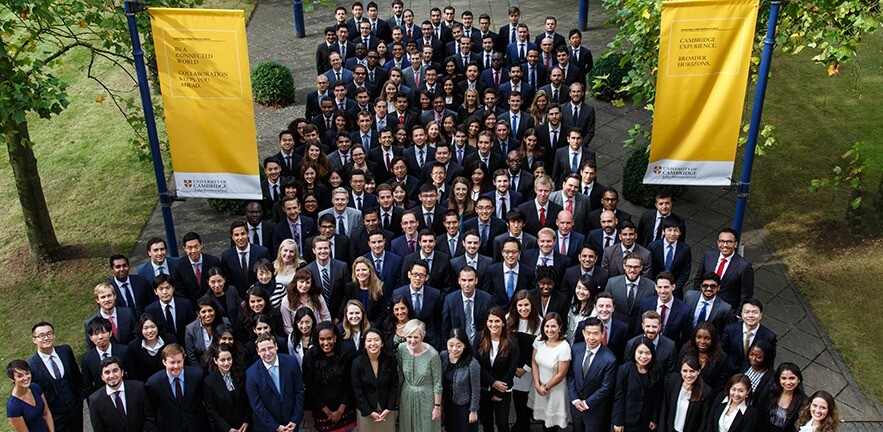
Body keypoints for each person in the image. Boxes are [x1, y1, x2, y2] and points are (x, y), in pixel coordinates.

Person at [28, 321, 82, 432]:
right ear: (34, 340)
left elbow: (76, 375)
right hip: (54, 416)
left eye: (49, 334)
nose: (46, 338)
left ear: (54, 335)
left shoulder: (65, 350)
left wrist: (80, 398)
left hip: (75, 409)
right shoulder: (31, 365)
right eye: (41, 336)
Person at [302, 322, 357, 432]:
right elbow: (310, 387)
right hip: (322, 411)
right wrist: (328, 412)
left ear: (335, 338)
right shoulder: (310, 356)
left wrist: (340, 411)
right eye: (322, 339)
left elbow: (350, 384)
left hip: (345, 408)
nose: (326, 343)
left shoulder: (346, 354)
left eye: (329, 338)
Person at [246, 334, 306, 432]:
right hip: (267, 427)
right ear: (258, 352)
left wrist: (295, 420)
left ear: (276, 346)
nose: (268, 353)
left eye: (270, 348)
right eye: (263, 350)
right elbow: (257, 405)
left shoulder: (291, 362)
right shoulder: (251, 374)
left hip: (291, 424)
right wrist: (276, 427)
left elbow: (299, 391)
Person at [567, 317, 617, 432]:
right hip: (576, 407)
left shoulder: (610, 359)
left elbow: (606, 387)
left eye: (595, 334)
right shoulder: (576, 349)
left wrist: (586, 403)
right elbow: (571, 376)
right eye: (588, 333)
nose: (591, 338)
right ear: (583, 333)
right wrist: (575, 399)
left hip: (595, 410)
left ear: (602, 334)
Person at [474, 307, 519, 432]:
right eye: (491, 321)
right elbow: (476, 364)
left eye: (497, 321)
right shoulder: (479, 338)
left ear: (503, 323)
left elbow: (511, 369)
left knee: (502, 424)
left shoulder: (512, 342)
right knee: (486, 423)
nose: (494, 325)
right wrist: (493, 383)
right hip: (484, 389)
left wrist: (499, 392)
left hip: (504, 390)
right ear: (486, 322)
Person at [144, 343, 207, 431]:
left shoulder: (197, 375)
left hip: (195, 426)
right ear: (164, 362)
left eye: (179, 362)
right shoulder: (154, 383)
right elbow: (151, 413)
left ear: (184, 360)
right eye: (172, 362)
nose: (176, 366)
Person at [529, 312, 571, 431]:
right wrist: (537, 385)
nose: (550, 330)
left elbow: (561, 374)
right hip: (539, 387)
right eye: (547, 326)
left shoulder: (564, 347)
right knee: (542, 420)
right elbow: (534, 363)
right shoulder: (539, 340)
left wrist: (546, 387)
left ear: (560, 327)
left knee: (551, 424)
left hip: (555, 389)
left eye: (553, 326)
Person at [397, 319, 443, 432]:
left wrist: (437, 407)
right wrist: (397, 399)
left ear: (422, 336)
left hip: (427, 397)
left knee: (427, 427)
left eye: (416, 337)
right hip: (406, 396)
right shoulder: (401, 349)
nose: (412, 341)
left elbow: (437, 383)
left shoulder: (433, 355)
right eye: (409, 337)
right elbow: (400, 374)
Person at [351, 328, 399, 432]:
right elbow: (357, 390)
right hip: (366, 411)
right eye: (369, 340)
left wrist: (389, 408)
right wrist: (368, 411)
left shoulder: (390, 359)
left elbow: (394, 385)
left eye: (376, 340)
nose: (373, 343)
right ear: (364, 344)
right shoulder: (357, 363)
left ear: (382, 343)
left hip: (386, 410)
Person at [692, 228, 754, 307]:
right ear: (717, 242)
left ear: (736, 244)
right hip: (704, 303)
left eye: (729, 242)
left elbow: (746, 294)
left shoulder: (744, 266)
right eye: (722, 241)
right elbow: (698, 278)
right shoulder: (708, 255)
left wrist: (737, 314)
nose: (725, 245)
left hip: (726, 310)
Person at [506, 290, 541, 432]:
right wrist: (512, 368)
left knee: (526, 403)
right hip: (513, 369)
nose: (523, 309)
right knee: (518, 402)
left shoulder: (539, 322)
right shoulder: (508, 319)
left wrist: (525, 368)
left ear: (532, 305)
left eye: (526, 305)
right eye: (520, 305)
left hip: (529, 370)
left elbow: (538, 350)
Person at [612, 337, 663, 432]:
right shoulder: (624, 370)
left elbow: (658, 396)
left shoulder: (657, 369)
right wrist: (618, 422)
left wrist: (654, 419)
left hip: (647, 420)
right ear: (634, 352)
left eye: (647, 353)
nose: (643, 357)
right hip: (628, 419)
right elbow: (619, 396)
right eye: (640, 352)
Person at [87, 356, 150, 432]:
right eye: (107, 372)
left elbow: (149, 417)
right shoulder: (95, 400)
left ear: (122, 372)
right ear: (102, 377)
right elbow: (99, 429)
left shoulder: (138, 388)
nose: (112, 376)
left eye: (115, 370)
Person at [439, 329, 481, 432]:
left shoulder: (472, 363)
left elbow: (476, 389)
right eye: (451, 345)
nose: (454, 349)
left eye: (459, 345)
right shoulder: (443, 356)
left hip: (464, 407)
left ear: (465, 345)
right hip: (448, 405)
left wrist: (473, 410)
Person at [722, 299, 778, 375]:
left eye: (755, 312)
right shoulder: (730, 329)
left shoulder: (769, 337)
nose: (750, 315)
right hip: (729, 372)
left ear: (761, 315)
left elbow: (769, 363)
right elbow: (723, 353)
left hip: (752, 376)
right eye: (747, 312)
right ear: (741, 314)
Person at [202, 345, 251, 432]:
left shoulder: (240, 374)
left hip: (244, 427)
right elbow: (211, 410)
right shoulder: (209, 382)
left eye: (229, 359)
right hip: (224, 428)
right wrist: (227, 429)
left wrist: (246, 421)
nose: (226, 363)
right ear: (215, 361)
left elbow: (247, 400)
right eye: (222, 360)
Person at [658, 356, 713, 432]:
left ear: (698, 371)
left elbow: (704, 420)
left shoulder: (706, 392)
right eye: (685, 371)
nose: (688, 375)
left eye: (692, 371)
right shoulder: (673, 381)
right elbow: (665, 408)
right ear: (680, 371)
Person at [80, 317, 128, 397]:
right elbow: (88, 387)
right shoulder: (87, 359)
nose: (100, 337)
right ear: (91, 337)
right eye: (96, 334)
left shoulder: (124, 351)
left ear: (110, 333)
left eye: (104, 332)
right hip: (103, 400)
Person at [679, 322, 729, 393]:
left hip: (707, 397)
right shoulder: (686, 350)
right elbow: (678, 372)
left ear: (713, 339)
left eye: (707, 338)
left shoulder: (721, 358)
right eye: (699, 337)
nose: (702, 341)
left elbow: (721, 385)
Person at [755, 363, 807, 432]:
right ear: (779, 379)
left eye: (792, 378)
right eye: (783, 378)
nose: (788, 382)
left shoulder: (804, 402)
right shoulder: (770, 391)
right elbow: (759, 409)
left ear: (799, 379)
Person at [126, 314, 176, 382]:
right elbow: (133, 372)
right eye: (145, 328)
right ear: (140, 329)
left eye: (153, 327)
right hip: (146, 386)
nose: (150, 331)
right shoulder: (133, 346)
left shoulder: (170, 340)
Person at [6, 360, 53, 432]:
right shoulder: (13, 407)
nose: (25, 378)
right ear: (13, 379)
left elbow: (46, 413)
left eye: (27, 373)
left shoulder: (35, 387)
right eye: (20, 376)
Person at [282, 268, 332, 334]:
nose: (304, 285)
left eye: (308, 282)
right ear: (296, 282)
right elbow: (288, 327)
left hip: (317, 335)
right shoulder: (287, 300)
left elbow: (326, 318)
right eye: (301, 282)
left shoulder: (318, 297)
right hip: (297, 337)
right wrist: (299, 338)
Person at [84, 282, 135, 348]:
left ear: (115, 296)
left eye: (109, 295)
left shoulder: (127, 313)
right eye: (103, 297)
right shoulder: (90, 323)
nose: (107, 300)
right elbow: (93, 348)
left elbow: (135, 336)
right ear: (97, 300)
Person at [184, 297, 229, 367]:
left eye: (210, 310)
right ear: (198, 314)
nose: (207, 314)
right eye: (203, 312)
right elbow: (191, 357)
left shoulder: (225, 322)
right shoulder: (190, 329)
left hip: (224, 364)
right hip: (202, 367)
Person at [342, 257, 388, 324]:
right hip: (355, 325)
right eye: (358, 270)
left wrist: (372, 327)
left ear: (370, 271)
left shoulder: (380, 287)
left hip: (375, 326)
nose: (361, 273)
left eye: (364, 270)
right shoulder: (350, 287)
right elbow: (347, 309)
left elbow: (383, 313)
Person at [566, 273, 596, 343]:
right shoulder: (573, 302)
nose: (581, 292)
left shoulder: (594, 311)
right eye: (579, 288)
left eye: (585, 289)